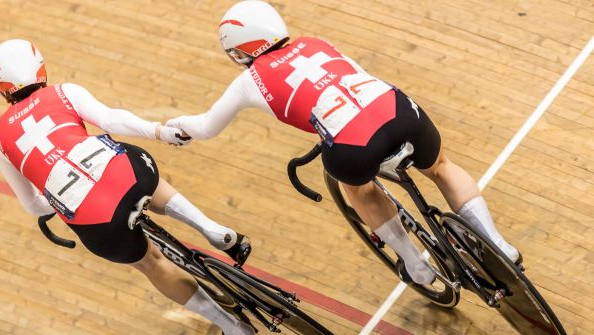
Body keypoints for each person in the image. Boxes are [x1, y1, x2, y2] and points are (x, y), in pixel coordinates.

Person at [166, 0, 520, 286]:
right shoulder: (315, 42)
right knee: (441, 167)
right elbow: (356, 74)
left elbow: (207, 127)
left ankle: (415, 264)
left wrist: (178, 127)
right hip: (396, 109)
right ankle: (499, 243)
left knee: (359, 189)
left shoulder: (250, 81)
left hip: (353, 143)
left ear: (241, 50)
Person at [0, 39, 253, 335]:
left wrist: (60, 193)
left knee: (151, 263)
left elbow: (32, 205)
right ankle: (211, 228)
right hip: (130, 175)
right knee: (120, 157)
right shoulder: (63, 92)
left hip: (97, 221)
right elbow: (110, 119)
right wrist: (159, 131)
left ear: (1, 87)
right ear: (41, 69)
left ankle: (233, 327)